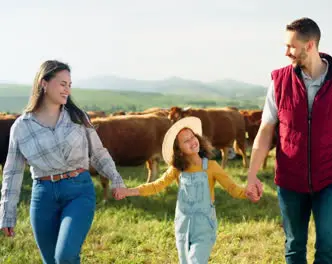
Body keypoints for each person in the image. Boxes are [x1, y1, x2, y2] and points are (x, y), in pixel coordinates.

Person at [245, 18, 332, 264]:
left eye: (291, 46)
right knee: (294, 248)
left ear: (310, 45)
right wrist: (252, 175)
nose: (286, 53)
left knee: (328, 247)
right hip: (290, 180)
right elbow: (265, 131)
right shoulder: (278, 81)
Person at [0, 60, 127, 264]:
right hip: (43, 196)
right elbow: (12, 173)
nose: (67, 90)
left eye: (69, 85)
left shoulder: (77, 117)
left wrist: (116, 178)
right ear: (43, 83)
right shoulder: (21, 127)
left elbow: (99, 153)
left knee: (65, 257)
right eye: (62, 83)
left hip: (78, 191)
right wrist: (7, 213)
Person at [115, 116, 256, 264]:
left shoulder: (212, 166)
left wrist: (246, 192)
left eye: (192, 136)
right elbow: (157, 185)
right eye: (186, 141)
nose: (192, 141)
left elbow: (232, 187)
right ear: (179, 150)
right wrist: (128, 191)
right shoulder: (177, 169)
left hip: (204, 226)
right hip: (182, 226)